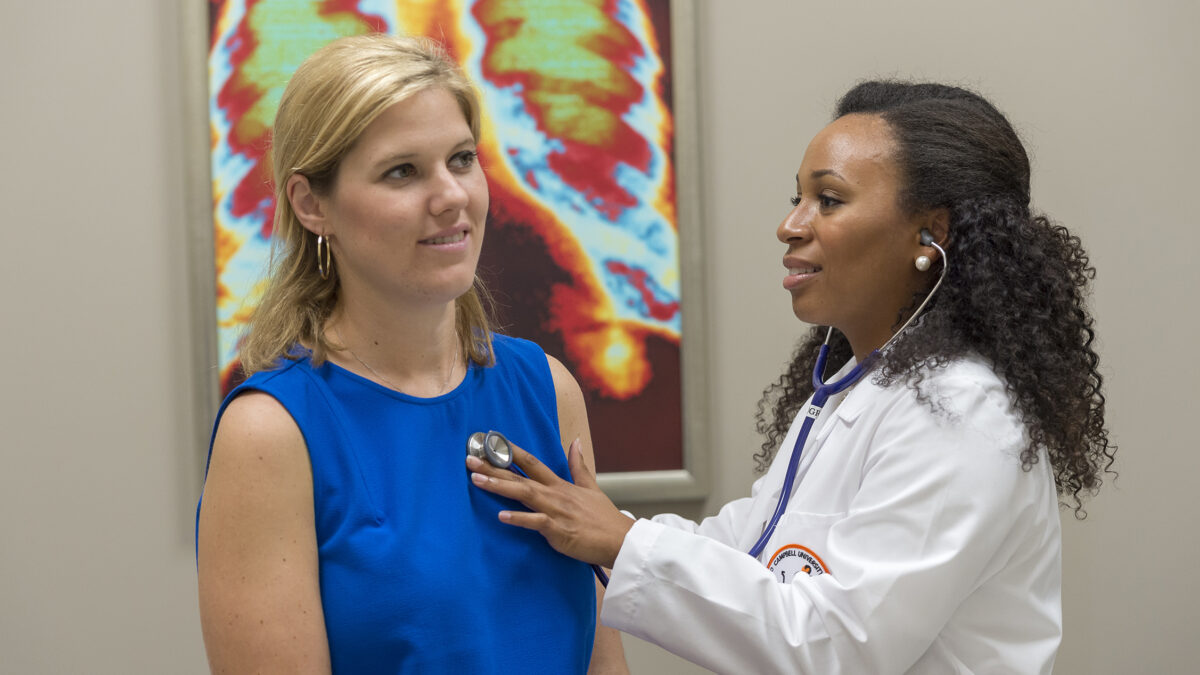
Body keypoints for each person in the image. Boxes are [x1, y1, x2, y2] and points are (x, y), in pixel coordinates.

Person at [466, 80, 1116, 674]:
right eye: (797, 198)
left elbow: (839, 645)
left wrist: (623, 542)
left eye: (827, 200)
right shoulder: (852, 392)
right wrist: (603, 530)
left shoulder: (962, 411)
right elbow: (752, 547)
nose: (790, 225)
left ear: (930, 233)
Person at [195, 34, 626, 673]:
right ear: (313, 205)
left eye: (461, 159)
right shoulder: (271, 434)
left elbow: (604, 663)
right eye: (403, 171)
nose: (451, 195)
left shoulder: (546, 388)